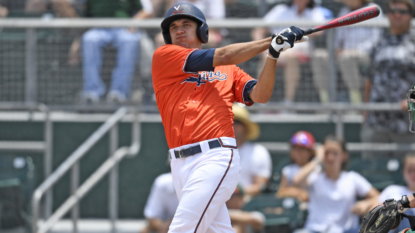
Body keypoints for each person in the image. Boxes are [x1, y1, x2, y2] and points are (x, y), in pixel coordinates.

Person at [151, 2, 308, 232]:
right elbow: (223, 54)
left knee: (182, 229)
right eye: (174, 27)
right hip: (179, 163)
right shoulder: (165, 56)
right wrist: (270, 41)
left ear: (202, 31)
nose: (180, 30)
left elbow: (259, 94)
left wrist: (273, 54)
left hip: (214, 157)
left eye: (186, 24)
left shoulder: (228, 70)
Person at [293, 135, 379, 233]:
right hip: (314, 230)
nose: (330, 157)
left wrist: (366, 203)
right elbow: (296, 180)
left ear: (344, 156)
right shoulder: (314, 177)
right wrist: (317, 159)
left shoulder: (352, 178)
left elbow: (378, 197)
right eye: (327, 153)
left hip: (345, 231)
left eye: (335, 153)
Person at [252, 0, 331, 105]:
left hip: (302, 53)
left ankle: (288, 103)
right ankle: (258, 100)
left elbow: (320, 31)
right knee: (267, 57)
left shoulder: (315, 12)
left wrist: (298, 35)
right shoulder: (280, 10)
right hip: (278, 51)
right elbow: (258, 30)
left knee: (291, 57)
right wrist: (261, 50)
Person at [75, 0, 154, 104]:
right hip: (98, 28)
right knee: (89, 39)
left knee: (129, 40)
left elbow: (148, 10)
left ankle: (119, 93)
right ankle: (92, 93)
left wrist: (134, 23)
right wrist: (77, 40)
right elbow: (82, 11)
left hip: (123, 28)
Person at [362, 0, 415, 153]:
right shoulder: (379, 43)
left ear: (411, 16)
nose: (397, 15)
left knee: (409, 173)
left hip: (406, 123)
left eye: (402, 12)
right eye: (393, 11)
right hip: (377, 122)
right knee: (373, 171)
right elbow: (370, 79)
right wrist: (365, 111)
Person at [314, 0, 383, 104]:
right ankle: (325, 101)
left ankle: (356, 101)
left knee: (346, 57)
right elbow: (338, 37)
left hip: (365, 55)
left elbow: (376, 39)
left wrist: (356, 50)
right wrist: (337, 48)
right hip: (343, 54)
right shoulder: (344, 11)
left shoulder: (373, 9)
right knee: (318, 55)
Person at [232, 104, 272, 197]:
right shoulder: (215, 150)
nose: (232, 125)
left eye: (237, 122)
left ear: (246, 127)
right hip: (217, 202)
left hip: (247, 203)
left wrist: (234, 193)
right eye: (229, 121)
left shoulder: (259, 152)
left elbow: (260, 186)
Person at [377, 153, 415, 233]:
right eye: (409, 170)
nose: (413, 174)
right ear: (403, 171)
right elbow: (376, 208)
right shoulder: (392, 190)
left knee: (405, 212)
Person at [277, 131, 317, 202]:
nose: (298, 152)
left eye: (302, 149)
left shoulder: (317, 170)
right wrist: (295, 192)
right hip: (292, 209)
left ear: (310, 152)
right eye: (295, 148)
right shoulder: (288, 170)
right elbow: (279, 193)